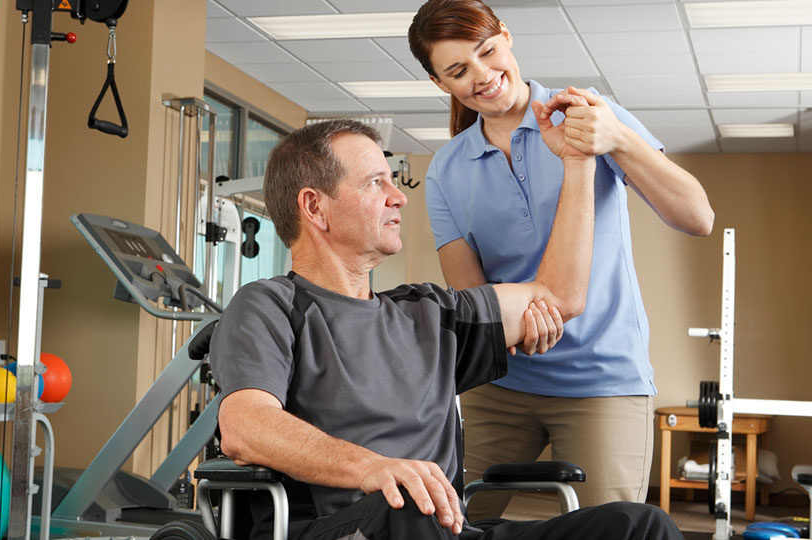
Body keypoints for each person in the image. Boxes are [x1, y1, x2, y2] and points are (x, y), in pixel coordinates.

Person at [208, 118, 683, 540]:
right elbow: (244, 426)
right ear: (315, 207)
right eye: (377, 183)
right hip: (342, 527)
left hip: (445, 528)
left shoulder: (429, 312)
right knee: (410, 505)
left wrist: (577, 163)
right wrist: (374, 469)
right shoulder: (268, 305)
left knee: (640, 525)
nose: (399, 196)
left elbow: (558, 297)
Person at [407, 0, 715, 518]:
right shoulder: (445, 170)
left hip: (603, 381)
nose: (483, 76)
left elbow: (697, 217)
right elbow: (471, 295)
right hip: (499, 383)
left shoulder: (591, 115)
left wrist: (617, 138)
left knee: (609, 530)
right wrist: (524, 328)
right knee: (450, 523)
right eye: (459, 70)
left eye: (487, 52)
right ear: (442, 84)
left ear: (506, 35)